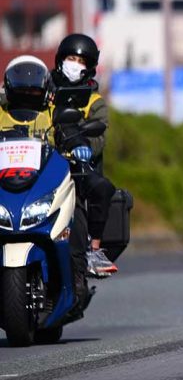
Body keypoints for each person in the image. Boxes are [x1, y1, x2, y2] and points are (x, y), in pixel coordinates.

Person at [1, 55, 92, 307]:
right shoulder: (0, 113)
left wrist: (77, 145)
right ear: (9, 89)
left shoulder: (54, 114)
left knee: (75, 220)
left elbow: (70, 132)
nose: (27, 95)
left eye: (33, 91)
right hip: (8, 187)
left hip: (43, 184)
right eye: (22, 91)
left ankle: (76, 277)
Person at [50, 33, 117, 277]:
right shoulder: (44, 93)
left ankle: (94, 249)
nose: (74, 64)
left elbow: (99, 135)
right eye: (71, 58)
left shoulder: (94, 101)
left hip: (78, 167)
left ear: (89, 68)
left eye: (81, 61)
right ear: (60, 60)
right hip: (43, 165)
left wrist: (85, 148)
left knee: (101, 187)